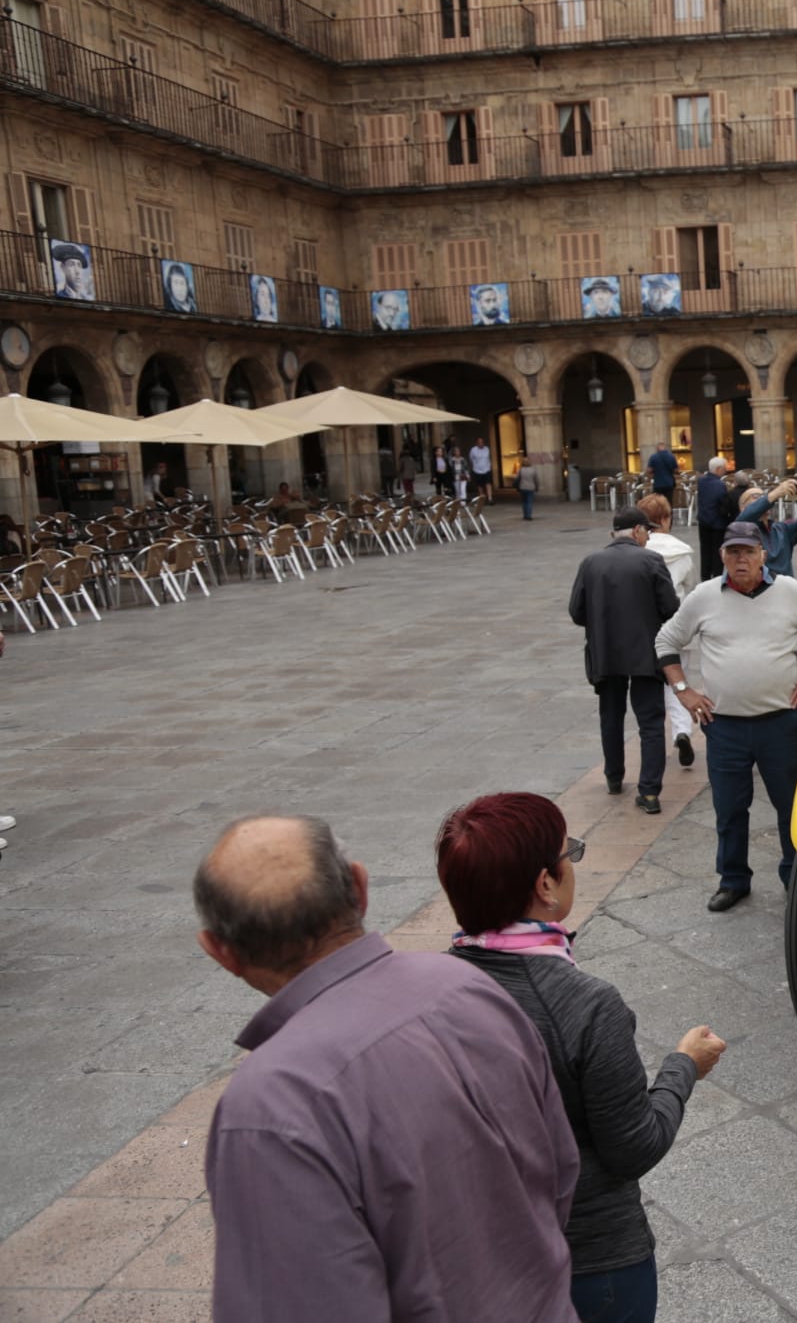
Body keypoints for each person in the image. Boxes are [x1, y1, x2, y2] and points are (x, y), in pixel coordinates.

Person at [195, 815, 580, 1323]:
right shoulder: (466, 985)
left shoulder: (270, 1109)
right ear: (359, 887)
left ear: (220, 952)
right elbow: (558, 1170)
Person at [437, 793, 727, 1323]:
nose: (572, 863)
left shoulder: (429, 991)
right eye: (567, 852)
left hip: (472, 1262)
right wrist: (684, 1066)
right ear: (545, 885)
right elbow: (633, 1148)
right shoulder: (588, 1005)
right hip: (590, 1266)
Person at [655, 521, 797, 912]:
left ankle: (794, 876)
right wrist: (684, 691)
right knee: (730, 808)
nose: (741, 559)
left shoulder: (789, 591)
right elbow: (666, 640)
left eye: (748, 552)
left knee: (790, 806)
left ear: (762, 554)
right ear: (722, 556)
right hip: (725, 727)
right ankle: (733, 879)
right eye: (733, 552)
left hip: (781, 723)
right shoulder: (704, 596)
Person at [568, 508, 681, 814]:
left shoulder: (590, 563)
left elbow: (577, 612)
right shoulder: (651, 561)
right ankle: (649, 792)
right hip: (645, 652)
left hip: (605, 653)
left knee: (611, 717)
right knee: (651, 723)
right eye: (647, 532)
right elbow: (670, 607)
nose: (648, 537)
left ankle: (614, 777)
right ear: (636, 531)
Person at [635, 493, 698, 769]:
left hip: (646, 625)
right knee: (678, 679)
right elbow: (691, 588)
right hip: (676, 624)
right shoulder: (682, 551)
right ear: (665, 518)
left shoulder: (637, 552)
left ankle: (655, 736)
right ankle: (682, 731)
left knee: (651, 685)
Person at [734, 476, 797, 580]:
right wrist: (775, 494)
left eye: (762, 495)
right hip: (759, 590)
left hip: (785, 589)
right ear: (743, 508)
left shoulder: (782, 529)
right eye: (755, 496)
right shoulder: (743, 532)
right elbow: (743, 520)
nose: (761, 498)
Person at [695, 455, 733, 563]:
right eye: (724, 468)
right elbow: (722, 502)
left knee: (705, 550)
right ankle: (717, 574)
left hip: (703, 520)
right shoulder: (719, 484)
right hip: (717, 522)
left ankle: (705, 574)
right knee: (717, 552)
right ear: (718, 469)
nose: (725, 471)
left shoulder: (701, 481)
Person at [469, 436, 495, 504]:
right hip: (477, 470)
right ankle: (482, 498)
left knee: (488, 483)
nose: (481, 444)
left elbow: (488, 458)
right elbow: (471, 459)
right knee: (480, 485)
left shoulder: (486, 449)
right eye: (479, 442)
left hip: (486, 469)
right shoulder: (473, 450)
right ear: (477, 443)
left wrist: (489, 466)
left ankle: (490, 498)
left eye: (482, 442)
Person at [515, 454, 540, 519]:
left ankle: (525, 515)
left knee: (524, 502)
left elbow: (517, 478)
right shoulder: (533, 470)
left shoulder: (520, 470)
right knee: (529, 502)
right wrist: (537, 487)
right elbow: (536, 480)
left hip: (522, 487)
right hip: (531, 488)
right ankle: (529, 515)